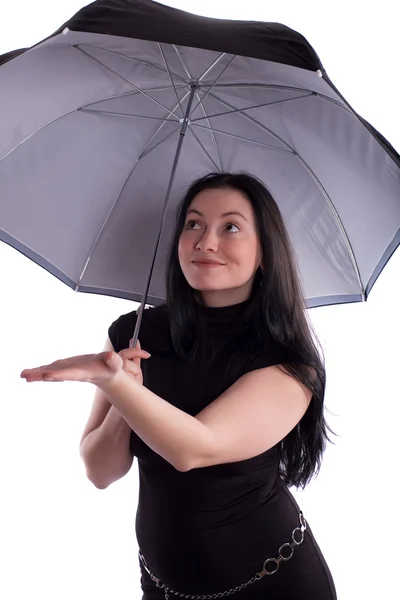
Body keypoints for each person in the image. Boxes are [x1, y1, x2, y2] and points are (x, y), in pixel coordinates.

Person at [21, 172, 337, 599]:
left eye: (230, 227)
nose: (205, 242)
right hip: (164, 588)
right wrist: (121, 395)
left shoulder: (287, 364)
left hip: (272, 584)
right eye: (193, 224)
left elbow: (194, 449)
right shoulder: (134, 333)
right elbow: (100, 471)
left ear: (265, 253)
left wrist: (118, 384)